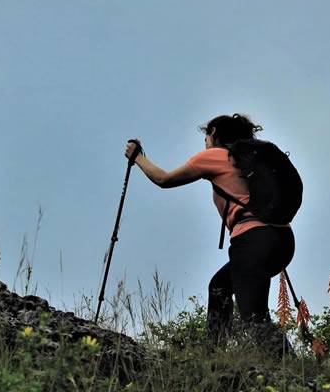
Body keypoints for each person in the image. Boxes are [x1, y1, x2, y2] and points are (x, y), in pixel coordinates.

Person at [124, 114, 295, 356]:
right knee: (220, 287)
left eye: (206, 136)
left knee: (254, 318)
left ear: (213, 132)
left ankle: (293, 371)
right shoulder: (248, 161)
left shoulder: (215, 156)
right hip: (281, 239)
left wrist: (137, 157)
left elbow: (163, 179)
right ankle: (212, 355)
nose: (204, 142)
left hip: (253, 239)